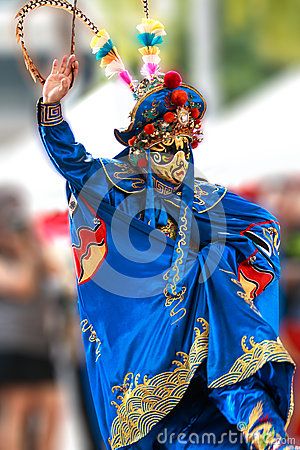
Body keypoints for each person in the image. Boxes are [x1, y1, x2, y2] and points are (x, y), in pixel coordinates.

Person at [35, 16, 296, 450]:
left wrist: (233, 274)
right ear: (140, 145)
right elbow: (71, 161)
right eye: (164, 146)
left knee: (234, 378)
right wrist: (51, 109)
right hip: (149, 342)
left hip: (210, 329)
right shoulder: (117, 184)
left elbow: (261, 225)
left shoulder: (207, 198)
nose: (176, 158)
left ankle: (268, 436)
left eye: (183, 147)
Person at [0, 187, 61, 450]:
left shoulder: (30, 247)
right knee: (17, 410)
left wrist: (32, 240)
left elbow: (57, 270)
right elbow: (23, 286)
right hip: (11, 345)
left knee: (52, 408)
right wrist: (22, 249)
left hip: (38, 344)